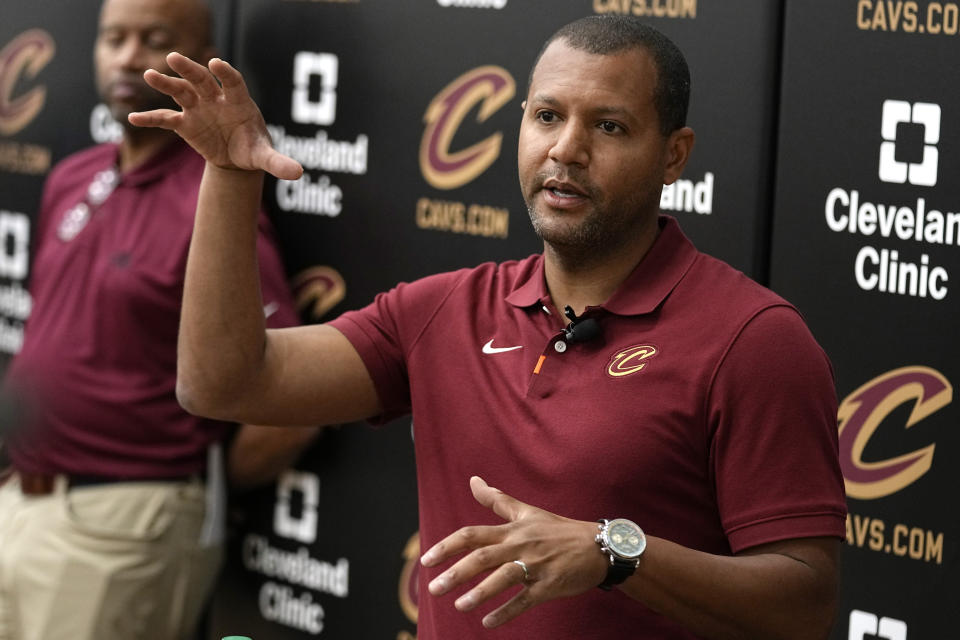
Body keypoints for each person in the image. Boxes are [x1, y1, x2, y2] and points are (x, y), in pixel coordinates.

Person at [131, 15, 847, 639]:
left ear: (674, 155)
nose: (566, 149)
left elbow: (804, 605)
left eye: (609, 126)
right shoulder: (445, 310)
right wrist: (229, 175)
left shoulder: (753, 338)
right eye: (546, 116)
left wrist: (613, 554)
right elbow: (221, 382)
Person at [0, 0, 308, 638]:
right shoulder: (71, 176)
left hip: (121, 532)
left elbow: (289, 399)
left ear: (199, 62)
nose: (126, 56)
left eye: (154, 40)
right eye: (114, 37)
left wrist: (178, 487)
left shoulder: (214, 200)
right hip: (20, 504)